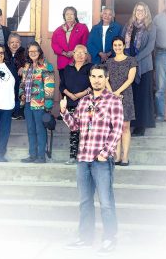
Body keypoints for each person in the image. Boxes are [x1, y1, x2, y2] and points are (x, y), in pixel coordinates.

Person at [60, 64, 123, 255]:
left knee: (105, 202)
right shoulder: (84, 101)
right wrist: (64, 112)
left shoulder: (113, 101)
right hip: (83, 159)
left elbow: (118, 128)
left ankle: (110, 239)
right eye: (93, 76)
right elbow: (75, 127)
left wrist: (106, 152)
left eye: (100, 77)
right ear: (89, 78)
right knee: (85, 201)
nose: (96, 80)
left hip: (101, 160)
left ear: (106, 78)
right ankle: (85, 238)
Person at [123, 2, 156, 136]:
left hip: (144, 66)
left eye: (142, 10)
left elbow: (150, 47)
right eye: (137, 10)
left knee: (143, 96)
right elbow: (121, 43)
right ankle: (131, 123)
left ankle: (141, 125)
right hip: (129, 66)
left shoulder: (151, 27)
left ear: (146, 12)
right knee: (132, 97)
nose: (139, 12)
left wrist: (135, 59)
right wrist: (127, 59)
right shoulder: (128, 26)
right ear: (134, 12)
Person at [19, 41, 55, 163]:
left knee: (40, 130)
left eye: (35, 51)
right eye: (30, 51)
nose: (33, 53)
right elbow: (22, 84)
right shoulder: (26, 67)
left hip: (40, 104)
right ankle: (32, 155)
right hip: (28, 103)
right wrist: (21, 95)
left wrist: (48, 106)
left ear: (39, 52)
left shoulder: (46, 66)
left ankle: (41, 156)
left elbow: (49, 86)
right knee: (30, 129)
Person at [105, 36, 137, 166]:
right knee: (115, 127)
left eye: (120, 45)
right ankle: (116, 156)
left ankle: (125, 157)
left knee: (125, 126)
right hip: (112, 96)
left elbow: (130, 79)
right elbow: (105, 79)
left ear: (124, 46)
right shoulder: (108, 62)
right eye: (115, 45)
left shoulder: (131, 61)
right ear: (112, 47)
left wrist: (118, 92)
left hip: (126, 96)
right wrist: (112, 93)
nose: (117, 47)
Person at [59, 45, 92, 165]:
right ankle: (73, 156)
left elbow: (94, 85)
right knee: (74, 130)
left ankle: (86, 156)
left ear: (86, 55)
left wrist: (81, 94)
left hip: (87, 104)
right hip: (71, 103)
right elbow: (62, 86)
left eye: (82, 53)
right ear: (73, 54)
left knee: (87, 130)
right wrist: (71, 95)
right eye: (77, 52)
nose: (79, 55)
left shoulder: (91, 67)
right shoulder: (67, 68)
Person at [51, 6, 89, 81]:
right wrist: (63, 53)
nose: (69, 16)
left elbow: (85, 43)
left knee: (78, 83)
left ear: (75, 16)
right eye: (67, 14)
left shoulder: (82, 27)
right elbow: (54, 44)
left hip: (78, 60)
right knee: (64, 84)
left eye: (72, 14)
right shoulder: (58, 30)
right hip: (63, 61)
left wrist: (74, 52)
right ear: (64, 16)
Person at [6, 33, 26, 120]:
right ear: (8, 44)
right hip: (7, 79)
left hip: (19, 79)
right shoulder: (5, 53)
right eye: (12, 42)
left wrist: (23, 67)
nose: (14, 44)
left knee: (18, 94)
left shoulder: (24, 53)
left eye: (17, 42)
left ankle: (18, 113)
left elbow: (29, 63)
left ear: (20, 43)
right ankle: (9, 112)